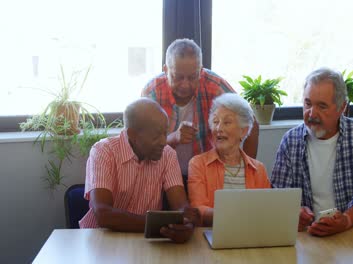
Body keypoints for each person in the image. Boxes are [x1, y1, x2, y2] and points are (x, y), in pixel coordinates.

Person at [270, 68, 353, 237]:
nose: (312, 113)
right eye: (308, 104)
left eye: (322, 106)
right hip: (306, 236)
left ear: (341, 107)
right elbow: (278, 194)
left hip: (352, 233)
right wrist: (295, 212)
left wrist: (345, 221)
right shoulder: (290, 140)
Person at [79, 98, 200, 243]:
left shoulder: (167, 154)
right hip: (101, 240)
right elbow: (103, 214)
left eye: (165, 133)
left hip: (145, 241)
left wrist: (187, 223)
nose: (163, 141)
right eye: (156, 136)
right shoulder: (103, 151)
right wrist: (161, 225)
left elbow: (180, 205)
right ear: (133, 135)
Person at [141, 38, 259, 177]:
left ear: (201, 71)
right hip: (161, 175)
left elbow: (252, 124)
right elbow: (143, 144)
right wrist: (173, 138)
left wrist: (246, 173)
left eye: (192, 77)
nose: (185, 85)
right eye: (178, 77)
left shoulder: (214, 85)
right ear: (165, 69)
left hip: (207, 174)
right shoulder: (152, 92)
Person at [188, 93, 271, 226]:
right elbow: (198, 209)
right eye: (215, 122)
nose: (219, 128)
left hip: (250, 234)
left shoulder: (259, 169)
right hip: (212, 233)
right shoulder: (198, 164)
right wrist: (236, 216)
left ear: (243, 131)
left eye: (227, 122)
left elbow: (267, 210)